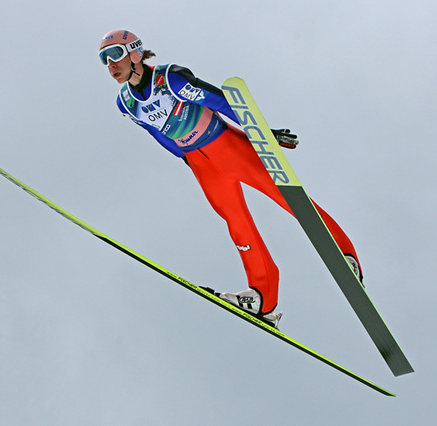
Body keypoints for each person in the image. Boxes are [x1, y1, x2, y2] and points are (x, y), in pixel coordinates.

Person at [98, 29, 362, 325]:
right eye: (104, 60)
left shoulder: (170, 79)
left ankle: (344, 254)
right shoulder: (126, 103)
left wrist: (262, 133)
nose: (110, 65)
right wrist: (187, 159)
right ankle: (263, 298)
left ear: (135, 53)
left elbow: (221, 101)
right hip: (200, 162)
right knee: (236, 222)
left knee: (287, 197)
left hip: (226, 145)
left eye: (115, 56)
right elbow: (156, 132)